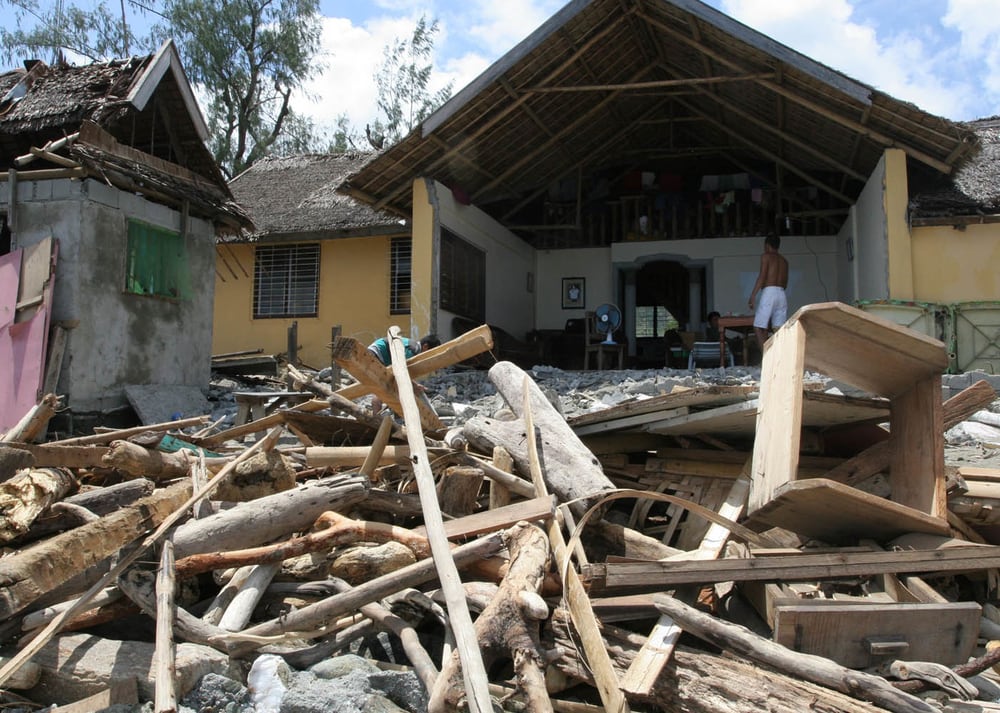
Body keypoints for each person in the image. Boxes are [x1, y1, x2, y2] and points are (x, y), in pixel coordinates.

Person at [366, 334, 441, 414]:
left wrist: (415, 385)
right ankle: (376, 419)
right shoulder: (412, 350)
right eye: (431, 352)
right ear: (425, 346)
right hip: (375, 355)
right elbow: (401, 373)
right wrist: (414, 385)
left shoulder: (413, 348)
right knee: (383, 388)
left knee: (391, 387)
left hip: (378, 356)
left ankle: (392, 415)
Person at [748, 233, 788, 348]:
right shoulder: (785, 261)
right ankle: (779, 358)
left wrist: (753, 296)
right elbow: (785, 283)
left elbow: (762, 276)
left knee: (758, 326)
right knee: (779, 329)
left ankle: (766, 357)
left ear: (766, 245)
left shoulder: (766, 256)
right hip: (782, 293)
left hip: (769, 292)